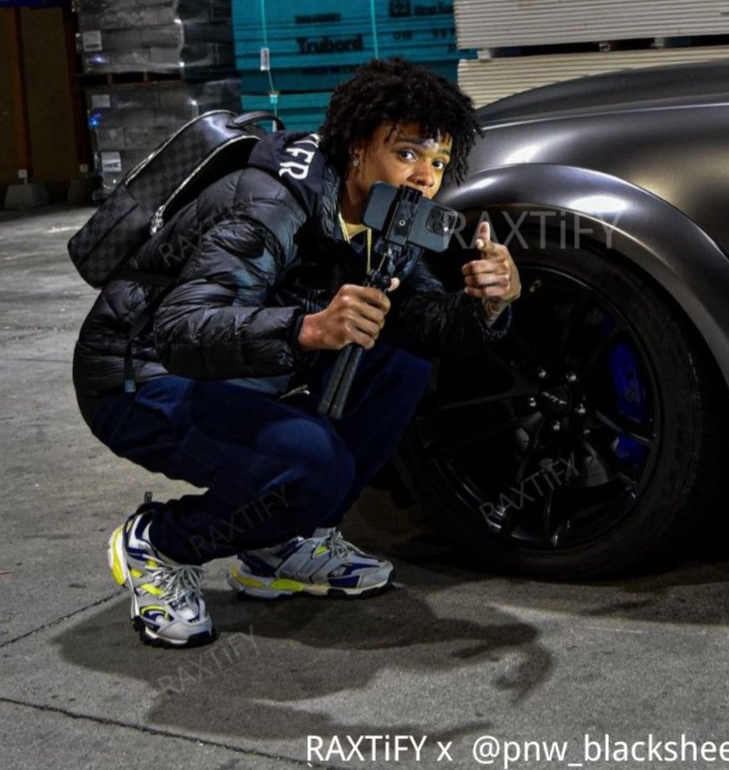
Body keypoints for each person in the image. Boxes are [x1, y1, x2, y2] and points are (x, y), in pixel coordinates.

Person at [72, 58, 521, 649]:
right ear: (358, 147)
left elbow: (421, 321)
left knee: (403, 365)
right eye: (407, 154)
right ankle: (157, 544)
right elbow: (182, 328)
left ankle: (280, 546)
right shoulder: (270, 201)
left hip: (248, 365)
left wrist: (486, 304)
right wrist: (306, 329)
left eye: (437, 163)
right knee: (314, 466)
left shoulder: (387, 215)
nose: (424, 177)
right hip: (139, 373)